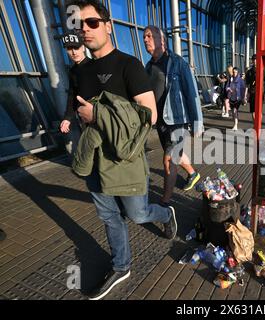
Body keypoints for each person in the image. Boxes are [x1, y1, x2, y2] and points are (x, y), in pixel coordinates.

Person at [69, 0, 177, 300]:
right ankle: (121, 265)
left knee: (138, 213)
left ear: (108, 25)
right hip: (94, 161)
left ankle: (166, 214)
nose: (85, 30)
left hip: (125, 160)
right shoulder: (81, 70)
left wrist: (98, 115)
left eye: (92, 23)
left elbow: (150, 115)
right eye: (79, 24)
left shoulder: (127, 65)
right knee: (109, 217)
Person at [143, 25, 203, 207]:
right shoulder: (148, 66)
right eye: (144, 36)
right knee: (175, 153)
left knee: (169, 158)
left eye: (149, 36)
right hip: (160, 122)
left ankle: (165, 203)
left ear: (162, 40)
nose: (145, 39)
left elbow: (191, 92)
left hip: (177, 119)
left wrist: (197, 122)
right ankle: (194, 174)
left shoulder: (178, 63)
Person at [59, 31, 91, 153]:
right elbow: (72, 95)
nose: (73, 52)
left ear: (83, 47)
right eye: (69, 48)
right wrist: (67, 118)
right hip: (86, 119)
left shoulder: (95, 66)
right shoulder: (73, 71)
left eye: (76, 47)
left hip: (103, 117)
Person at [244, 54, 265, 120]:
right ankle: (255, 126)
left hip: (260, 92)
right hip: (252, 93)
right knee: (253, 111)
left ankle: (259, 127)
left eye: (256, 59)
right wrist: (245, 95)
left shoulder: (263, 69)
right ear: (252, 61)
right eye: (253, 60)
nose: (255, 61)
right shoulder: (249, 72)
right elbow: (247, 84)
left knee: (259, 111)